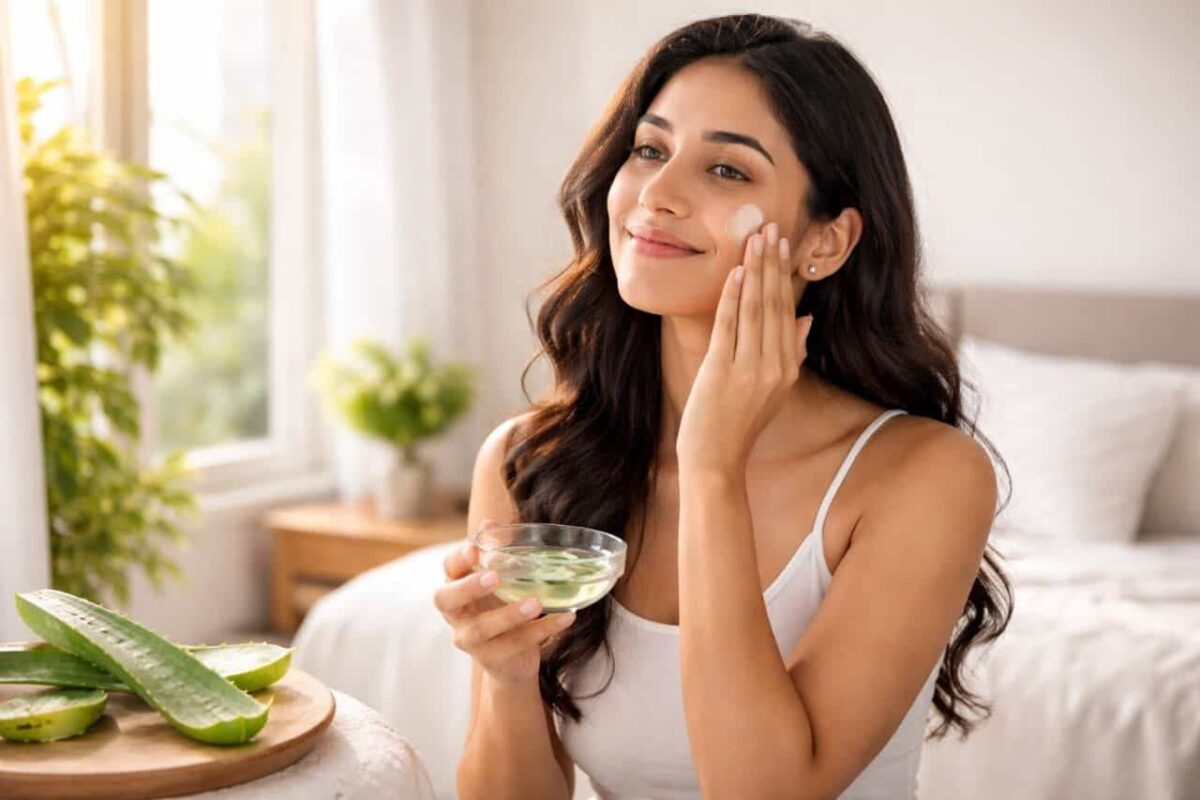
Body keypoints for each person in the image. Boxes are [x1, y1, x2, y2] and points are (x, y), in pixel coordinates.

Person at [436, 13, 1013, 800]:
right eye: (649, 150)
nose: (657, 196)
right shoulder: (528, 462)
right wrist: (506, 676)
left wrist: (710, 463)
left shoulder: (925, 477)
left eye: (728, 172)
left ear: (827, 242)